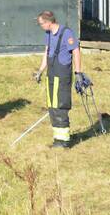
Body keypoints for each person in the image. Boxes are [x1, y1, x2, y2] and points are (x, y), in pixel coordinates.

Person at [34, 10, 82, 148]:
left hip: (62, 74)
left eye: (41, 23)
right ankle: (57, 138)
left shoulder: (67, 33)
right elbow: (47, 52)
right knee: (52, 105)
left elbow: (76, 51)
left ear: (49, 22)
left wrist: (78, 72)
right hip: (51, 73)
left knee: (60, 105)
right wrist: (40, 71)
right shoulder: (48, 34)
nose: (41, 26)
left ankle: (64, 141)